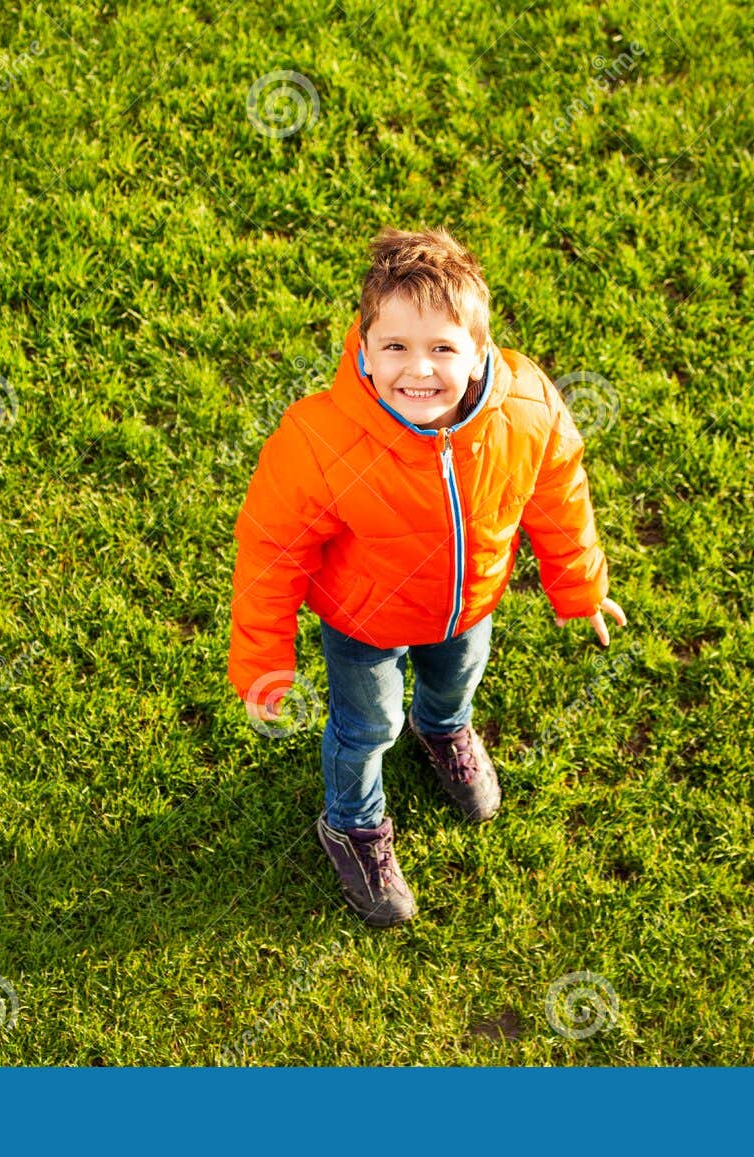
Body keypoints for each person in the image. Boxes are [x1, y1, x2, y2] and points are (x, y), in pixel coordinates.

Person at [227, 226, 626, 926]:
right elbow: (270, 548)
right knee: (364, 727)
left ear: (480, 353)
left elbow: (559, 489)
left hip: (467, 606)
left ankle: (442, 728)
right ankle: (352, 823)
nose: (420, 369)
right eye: (397, 348)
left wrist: (580, 584)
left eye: (443, 347)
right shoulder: (319, 442)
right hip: (364, 622)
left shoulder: (525, 409)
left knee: (457, 678)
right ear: (364, 349)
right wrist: (264, 659)